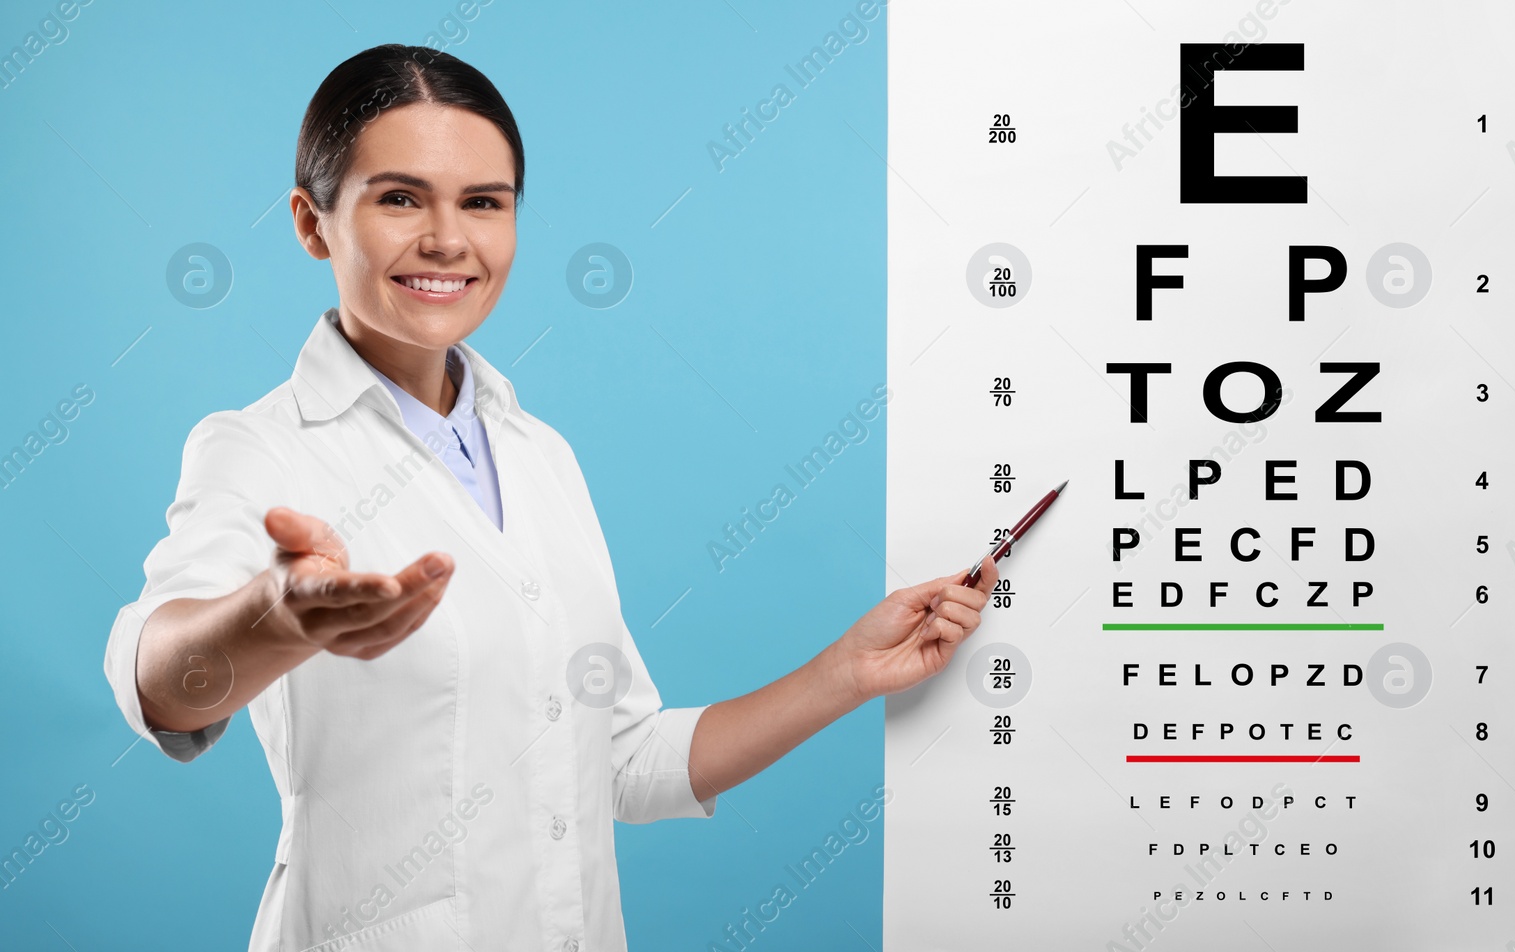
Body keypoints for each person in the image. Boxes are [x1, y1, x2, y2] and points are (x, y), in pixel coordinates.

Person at [103, 43, 999, 951]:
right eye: (400, 197)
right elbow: (158, 683)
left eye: (484, 203)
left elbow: (621, 757)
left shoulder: (541, 455)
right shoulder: (258, 447)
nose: (448, 239)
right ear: (312, 221)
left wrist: (845, 672)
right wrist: (273, 620)